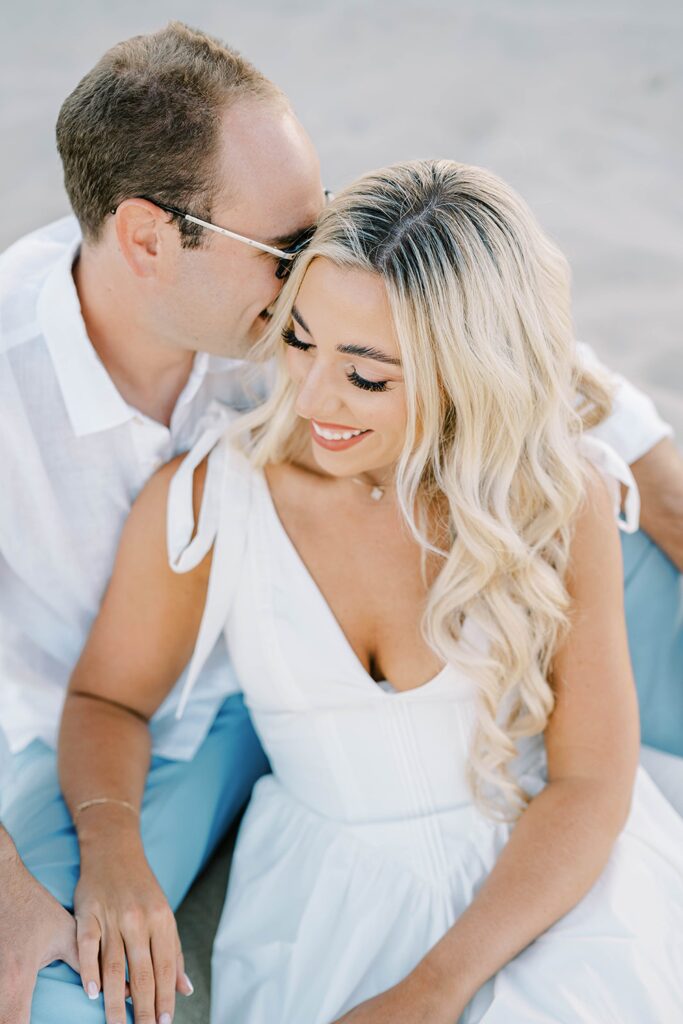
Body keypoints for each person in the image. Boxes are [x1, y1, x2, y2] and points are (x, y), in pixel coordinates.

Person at [1, 20, 681, 1024]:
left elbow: (468, 306)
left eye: (360, 369)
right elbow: (108, 697)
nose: (307, 374)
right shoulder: (206, 466)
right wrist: (66, 865)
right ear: (149, 240)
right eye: (285, 257)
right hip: (236, 764)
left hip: (522, 824)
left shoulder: (318, 300)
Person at [0, 22, 323, 1024]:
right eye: (287, 247)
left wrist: (652, 467)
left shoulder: (287, 309)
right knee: (57, 1000)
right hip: (104, 740)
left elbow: (498, 328)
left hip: (322, 674)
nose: (315, 271)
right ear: (148, 237)